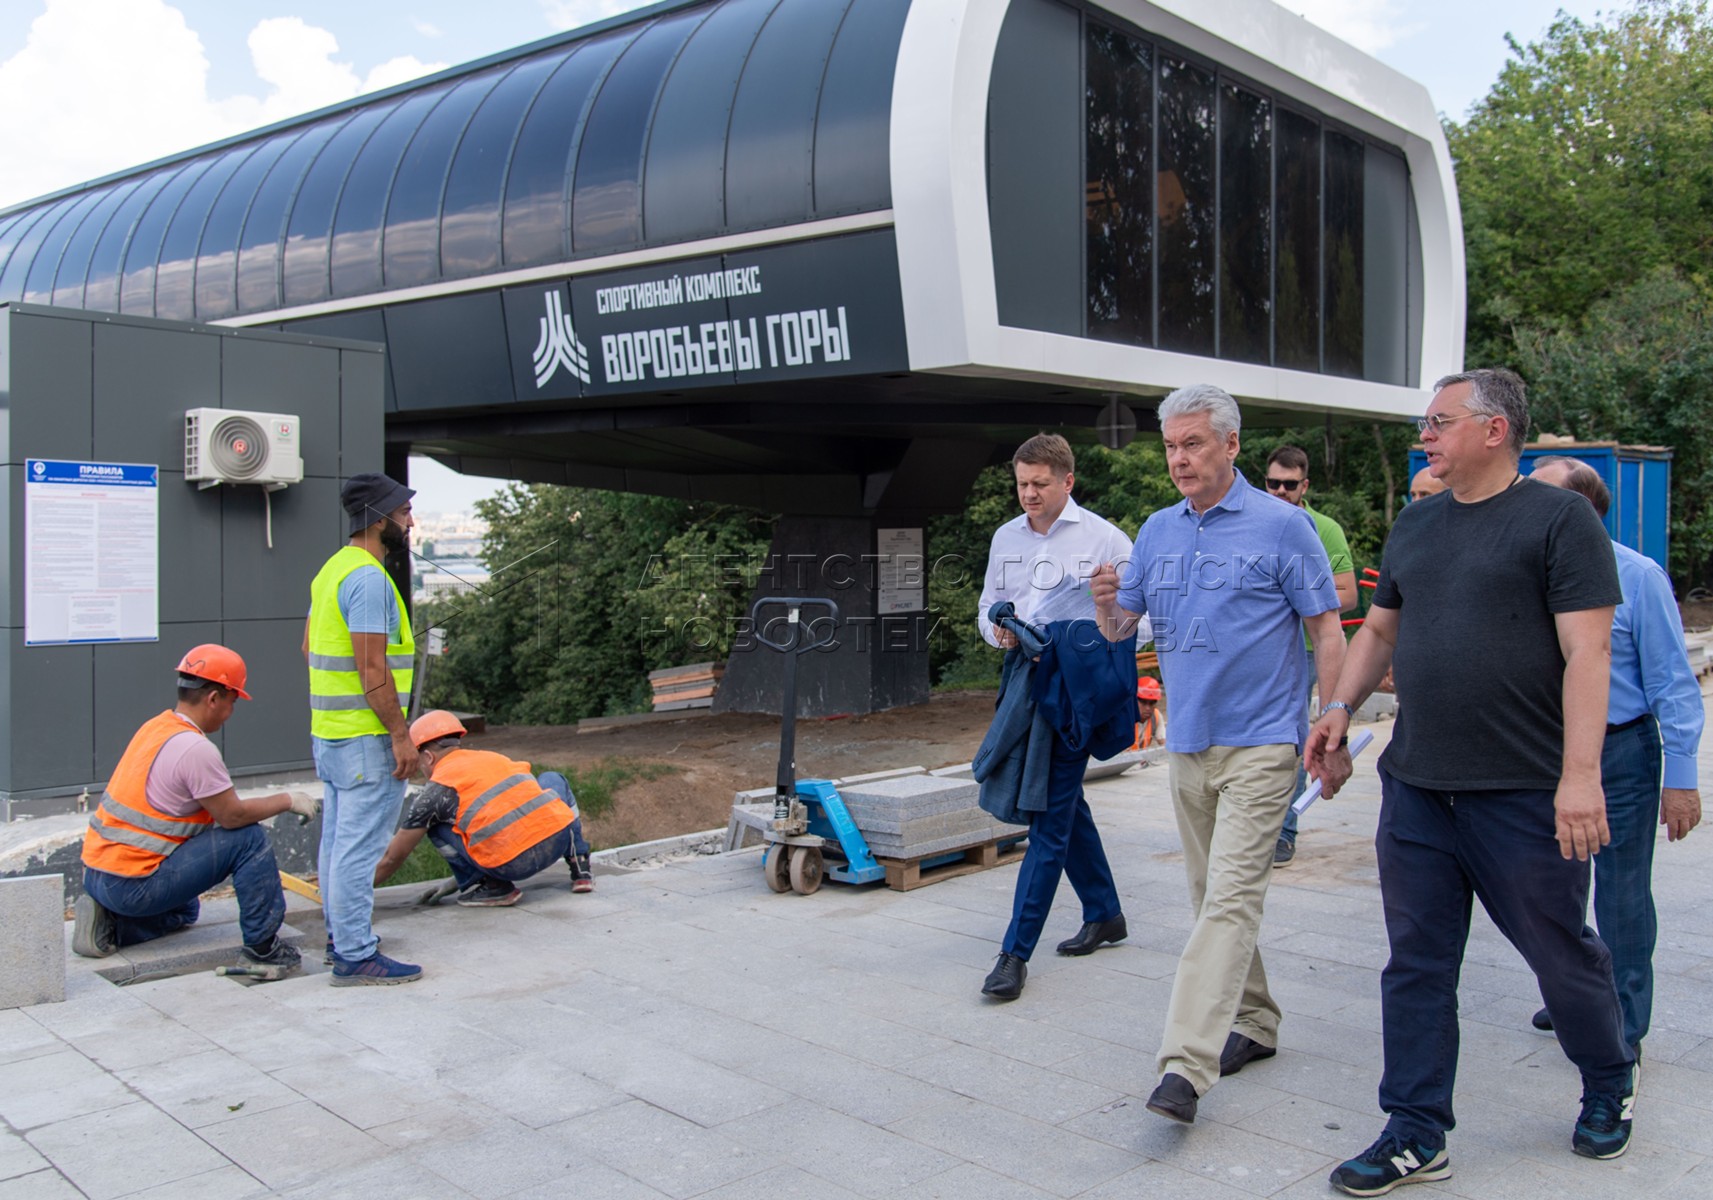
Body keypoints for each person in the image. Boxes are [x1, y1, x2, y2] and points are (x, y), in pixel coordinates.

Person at [1305, 369, 1636, 1194]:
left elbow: (1587, 654)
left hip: (1524, 789)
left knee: (1558, 953)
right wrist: (1338, 706)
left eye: (1438, 421)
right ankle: (1416, 1129)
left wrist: (1580, 778)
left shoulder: (1558, 521)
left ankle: (1607, 1080)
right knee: (1414, 962)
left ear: (1493, 430)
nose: (1426, 435)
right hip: (1417, 784)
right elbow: (1380, 627)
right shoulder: (1417, 524)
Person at [1091, 385, 1344, 1125]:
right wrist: (1107, 600)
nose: (1178, 459)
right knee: (1211, 901)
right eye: (1170, 446)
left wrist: (1329, 720)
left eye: (1192, 443)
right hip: (1186, 745)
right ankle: (1256, 1022)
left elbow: (1326, 631)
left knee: (1229, 900)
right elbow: (1119, 631)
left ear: (1231, 445)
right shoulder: (1158, 530)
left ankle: (1184, 1066)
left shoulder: (1282, 527)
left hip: (1264, 743)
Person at [1527, 456, 1702, 1056]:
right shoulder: (1529, 572)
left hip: (1620, 751)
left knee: (1621, 894)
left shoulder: (1639, 576)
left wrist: (1681, 779)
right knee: (1551, 888)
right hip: (1543, 752)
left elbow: (1673, 684)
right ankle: (1578, 998)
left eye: (1538, 494)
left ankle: (1623, 1025)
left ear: (1576, 509)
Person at [975, 433, 1136, 1001]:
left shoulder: (1106, 538)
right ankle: (1105, 912)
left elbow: (1134, 622)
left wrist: (1106, 607)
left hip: (1075, 687)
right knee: (1067, 802)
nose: (1029, 494)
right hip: (1021, 677)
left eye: (1040, 483)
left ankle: (1013, 954)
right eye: (1022, 483)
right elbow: (987, 600)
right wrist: (993, 627)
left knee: (1047, 815)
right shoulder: (1005, 537)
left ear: (1068, 481)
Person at [73, 645, 319, 978]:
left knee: (187, 910)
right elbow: (232, 816)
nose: (231, 712)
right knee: (249, 839)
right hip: (132, 887)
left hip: (99, 875)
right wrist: (287, 799)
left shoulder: (156, 728)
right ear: (214, 698)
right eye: (232, 702)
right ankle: (264, 949)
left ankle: (111, 925)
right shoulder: (196, 749)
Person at [306, 472, 423, 987]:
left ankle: (341, 938)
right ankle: (355, 952)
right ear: (380, 520)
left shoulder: (332, 570)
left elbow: (308, 648)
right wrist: (401, 735)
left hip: (330, 734)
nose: (411, 522)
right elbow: (373, 669)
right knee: (358, 848)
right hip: (366, 740)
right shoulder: (371, 579)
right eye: (403, 514)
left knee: (337, 843)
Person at [374, 711, 595, 902]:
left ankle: (492, 887)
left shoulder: (436, 791)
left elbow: (392, 858)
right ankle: (580, 865)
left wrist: (351, 893)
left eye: (418, 761)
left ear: (429, 757)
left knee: (434, 826)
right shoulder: (493, 758)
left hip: (513, 865)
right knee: (552, 778)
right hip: (557, 842)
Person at [1262, 445, 1358, 867]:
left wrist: (1294, 600)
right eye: (1272, 483)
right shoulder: (1250, 523)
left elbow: (1349, 595)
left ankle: (1285, 830)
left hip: (1303, 651)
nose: (1280, 491)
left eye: (1289, 485)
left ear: (1305, 486)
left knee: (1296, 739)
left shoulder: (1324, 529)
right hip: (1258, 652)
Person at [1132, 677, 1165, 750]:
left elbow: (1164, 744)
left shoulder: (1156, 716)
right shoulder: (1124, 717)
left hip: (1141, 760)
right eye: (1143, 702)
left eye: (1152, 703)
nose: (1148, 708)